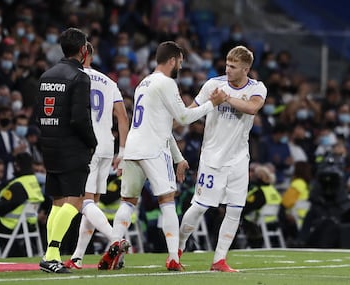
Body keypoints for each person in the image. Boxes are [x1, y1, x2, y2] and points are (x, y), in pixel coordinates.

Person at [98, 41, 227, 272]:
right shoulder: (166, 83)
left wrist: (178, 158)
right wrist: (212, 104)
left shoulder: (143, 83)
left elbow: (163, 125)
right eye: (180, 62)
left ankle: (114, 244)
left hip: (134, 149)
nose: (180, 66)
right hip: (154, 150)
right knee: (167, 201)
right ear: (172, 60)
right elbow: (185, 118)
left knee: (128, 202)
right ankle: (172, 257)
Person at [178, 45, 267, 272]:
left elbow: (252, 108)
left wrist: (225, 99)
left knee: (235, 209)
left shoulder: (257, 88)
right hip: (212, 158)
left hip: (238, 159)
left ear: (246, 69)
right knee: (199, 207)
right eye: (227, 65)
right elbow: (192, 110)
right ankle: (177, 249)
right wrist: (178, 118)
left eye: (233, 66)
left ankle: (219, 260)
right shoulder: (212, 85)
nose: (228, 69)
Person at [36, 27, 97, 274]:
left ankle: (50, 254)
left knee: (58, 203)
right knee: (75, 200)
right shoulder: (80, 77)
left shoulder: (46, 75)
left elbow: (38, 115)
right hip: (71, 147)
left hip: (50, 144)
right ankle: (51, 254)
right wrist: (92, 142)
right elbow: (79, 119)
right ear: (83, 50)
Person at [64, 42, 129, 270]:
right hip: (107, 147)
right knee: (92, 204)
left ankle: (115, 239)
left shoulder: (74, 77)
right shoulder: (109, 82)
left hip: (86, 146)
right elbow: (122, 116)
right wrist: (122, 151)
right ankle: (77, 257)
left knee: (84, 202)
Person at [0, 152, 44, 257]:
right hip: (30, 223)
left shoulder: (18, 185)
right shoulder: (33, 181)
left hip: (10, 225)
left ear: (17, 166)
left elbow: (3, 207)